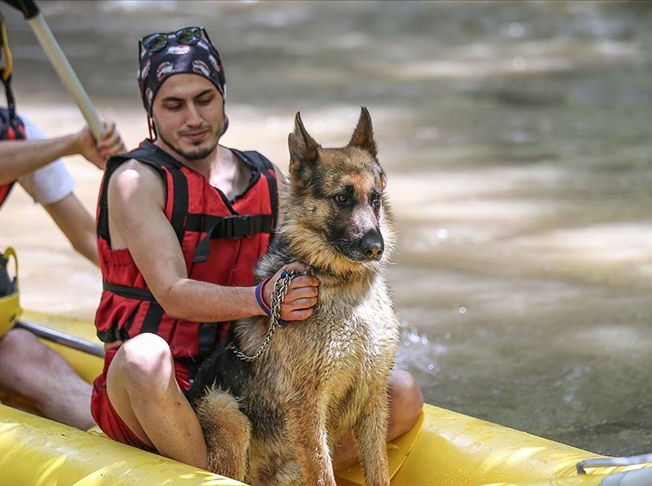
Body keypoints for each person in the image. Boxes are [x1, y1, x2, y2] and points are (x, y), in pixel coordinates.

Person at [91, 26, 423, 470]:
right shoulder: (134, 182)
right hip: (155, 388)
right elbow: (171, 292)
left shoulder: (261, 175)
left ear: (223, 98)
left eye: (204, 99)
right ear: (151, 110)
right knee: (143, 357)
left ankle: (279, 478)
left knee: (400, 393)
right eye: (173, 104)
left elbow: (304, 258)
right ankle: (210, 476)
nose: (192, 117)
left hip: (244, 374)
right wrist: (261, 300)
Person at [0, 0, 125, 430]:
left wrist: (157, 292)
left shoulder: (18, 134)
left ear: (4, 61)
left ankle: (119, 453)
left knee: (31, 358)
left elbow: (87, 238)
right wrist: (71, 144)